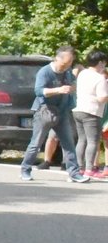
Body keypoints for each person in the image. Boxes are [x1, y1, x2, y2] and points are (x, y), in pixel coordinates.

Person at [19, 44, 89, 183]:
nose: (67, 65)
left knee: (68, 143)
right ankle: (25, 170)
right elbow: (38, 91)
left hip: (62, 111)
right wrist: (58, 90)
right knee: (36, 143)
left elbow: (72, 83)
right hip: (45, 110)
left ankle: (74, 173)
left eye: (70, 62)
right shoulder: (45, 72)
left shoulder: (68, 71)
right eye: (65, 62)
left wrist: (73, 87)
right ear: (57, 58)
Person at [74, 49, 107, 178]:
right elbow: (102, 98)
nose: (104, 66)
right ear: (99, 63)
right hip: (92, 111)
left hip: (79, 109)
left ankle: (79, 167)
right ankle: (89, 169)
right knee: (93, 141)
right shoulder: (100, 78)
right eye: (104, 63)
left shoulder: (83, 74)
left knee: (82, 139)